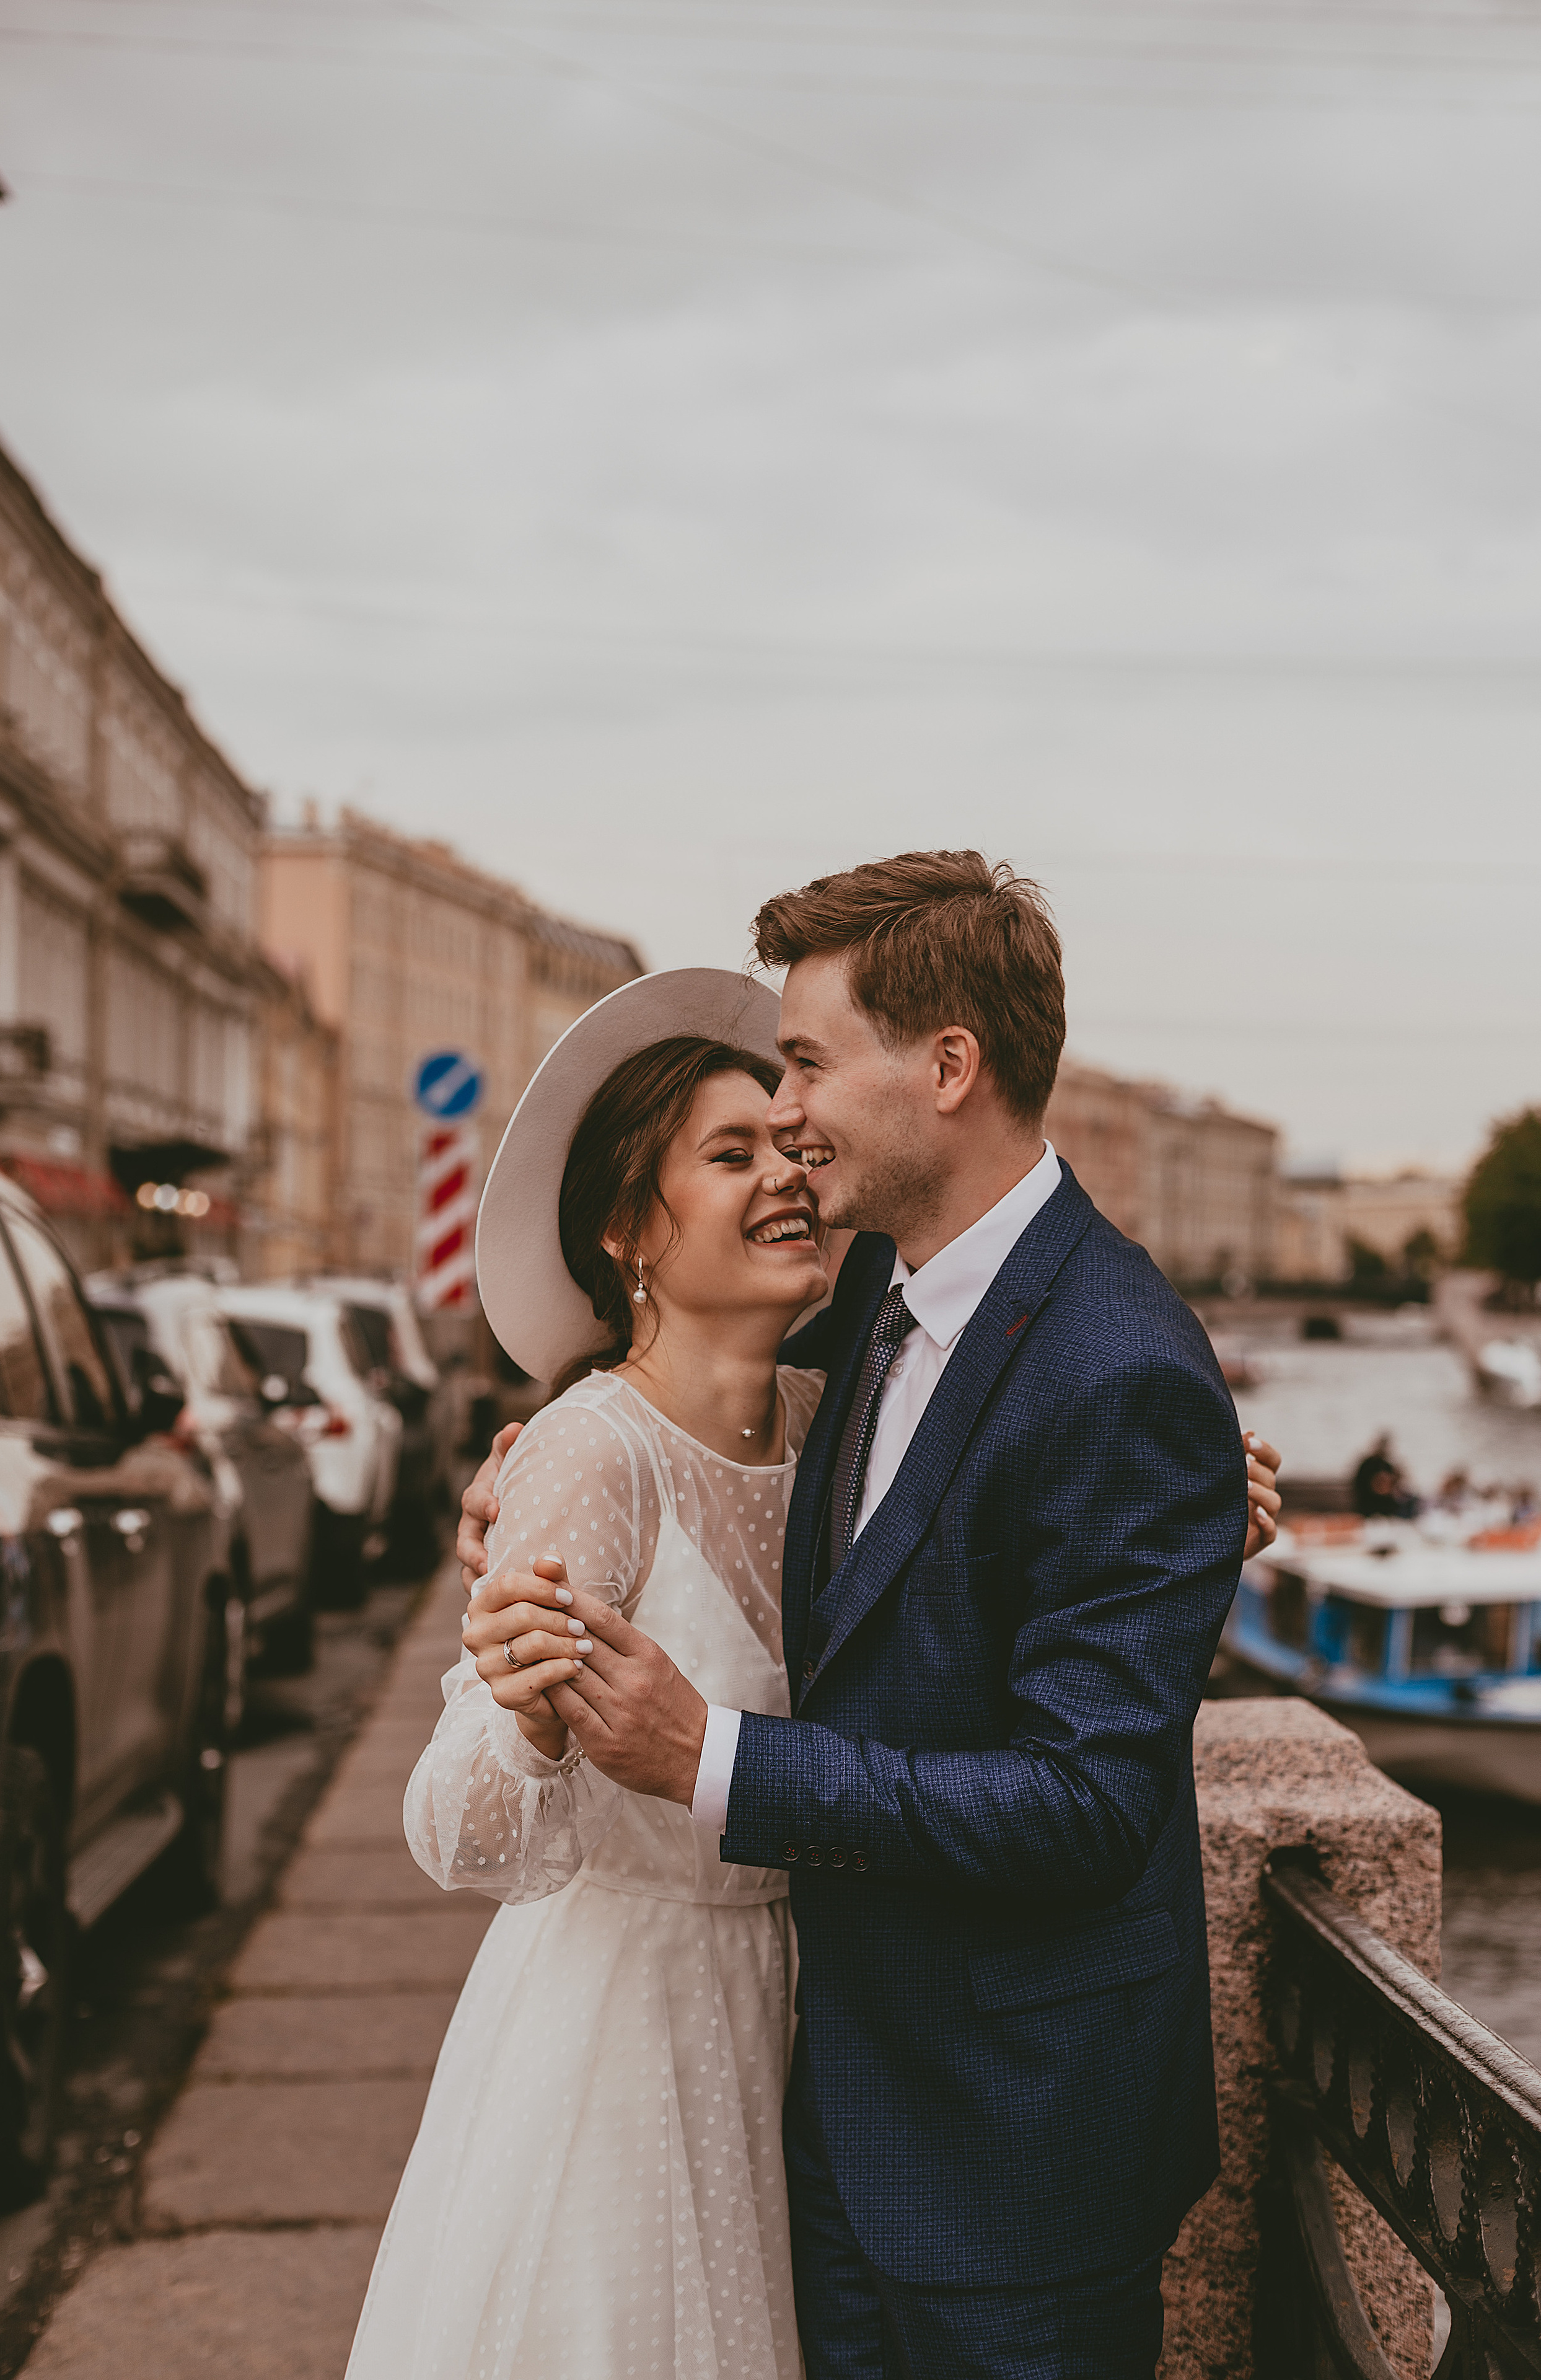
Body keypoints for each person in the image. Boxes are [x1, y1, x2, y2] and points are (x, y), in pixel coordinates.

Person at [459, 853, 1281, 2380]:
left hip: (1010, 2153)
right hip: (823, 2112)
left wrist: (714, 1761)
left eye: (808, 1062)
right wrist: (533, 1477)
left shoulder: (1123, 1367)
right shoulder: (869, 1307)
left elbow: (1086, 1803)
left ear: (947, 1067)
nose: (784, 1114)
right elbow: (667, 1393)